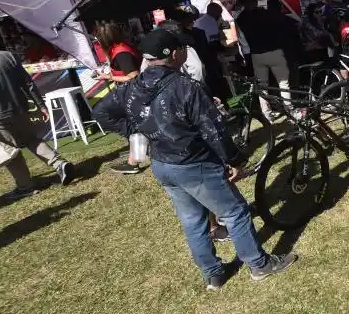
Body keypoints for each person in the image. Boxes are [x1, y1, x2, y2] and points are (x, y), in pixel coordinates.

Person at [93, 27, 294, 290]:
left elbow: (101, 111)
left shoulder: (133, 87)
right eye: (182, 49)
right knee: (235, 212)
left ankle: (213, 274)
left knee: (192, 219)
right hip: (194, 163)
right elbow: (214, 131)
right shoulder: (186, 87)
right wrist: (235, 159)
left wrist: (137, 131)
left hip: (163, 164)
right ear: (175, 53)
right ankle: (259, 265)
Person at [0, 24, 75, 198]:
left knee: (10, 153)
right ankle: (59, 163)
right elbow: (28, 83)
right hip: (19, 109)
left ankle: (25, 186)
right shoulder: (7, 56)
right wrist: (41, 105)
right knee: (31, 140)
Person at [94, 21, 148, 175]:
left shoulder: (121, 52)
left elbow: (133, 76)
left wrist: (111, 78)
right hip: (129, 93)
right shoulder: (119, 48)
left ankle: (136, 154)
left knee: (103, 113)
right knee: (133, 124)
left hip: (132, 93)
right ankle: (135, 156)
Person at [233, 0, 290, 116]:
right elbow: (277, 31)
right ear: (255, 1)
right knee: (283, 82)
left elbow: (243, 41)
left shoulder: (240, 19)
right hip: (274, 50)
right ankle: (289, 109)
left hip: (256, 54)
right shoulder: (267, 14)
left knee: (262, 86)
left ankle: (267, 113)